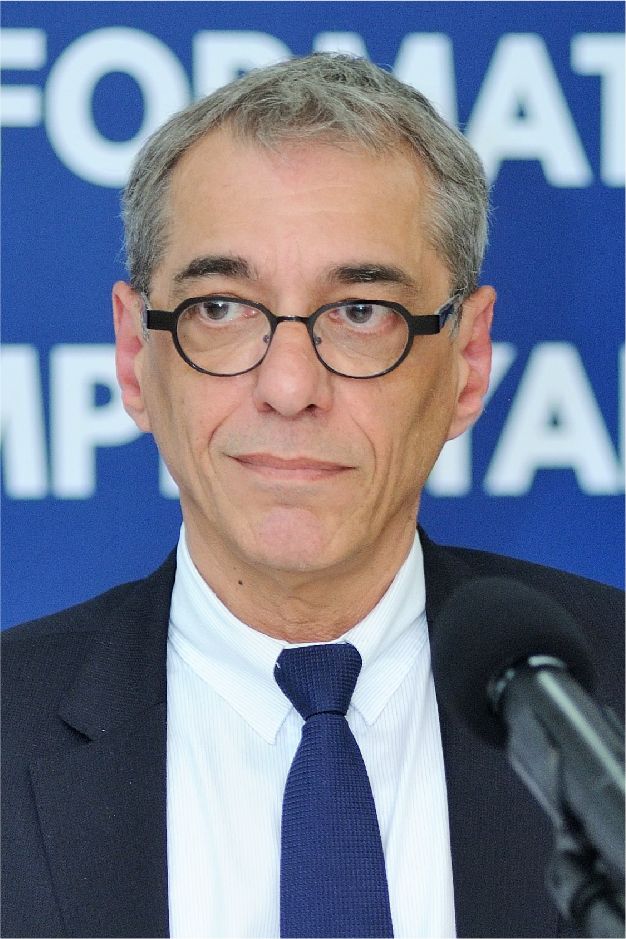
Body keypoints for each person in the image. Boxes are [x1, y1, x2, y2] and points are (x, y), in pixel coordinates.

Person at [2, 54, 623, 939]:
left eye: (361, 311)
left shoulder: (602, 712)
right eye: (220, 308)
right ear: (136, 357)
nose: (290, 386)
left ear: (468, 359)